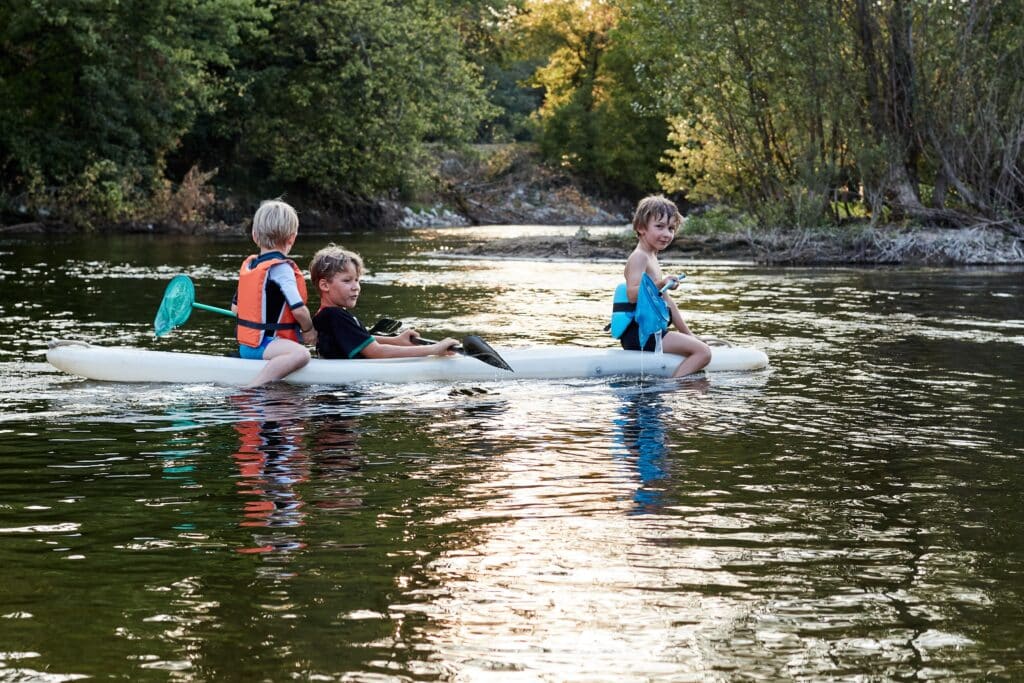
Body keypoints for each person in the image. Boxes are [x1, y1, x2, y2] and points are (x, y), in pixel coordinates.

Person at [309, 244, 459, 360]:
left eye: (357, 280)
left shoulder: (326, 314)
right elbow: (376, 352)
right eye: (347, 281)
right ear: (324, 285)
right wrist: (433, 350)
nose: (356, 287)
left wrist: (397, 340)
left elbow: (360, 339)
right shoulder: (336, 316)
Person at [618, 195, 710, 378]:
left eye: (671, 228)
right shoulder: (639, 257)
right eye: (659, 227)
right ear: (641, 228)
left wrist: (689, 334)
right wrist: (660, 283)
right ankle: (673, 384)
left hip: (650, 331)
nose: (667, 234)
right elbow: (632, 295)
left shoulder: (651, 256)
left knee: (697, 346)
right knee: (704, 353)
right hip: (640, 334)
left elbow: (667, 301)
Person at [233, 199, 316, 387]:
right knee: (302, 354)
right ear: (292, 238)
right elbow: (299, 310)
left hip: (247, 345)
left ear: (255, 236)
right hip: (264, 346)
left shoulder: (251, 266)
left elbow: (234, 309)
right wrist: (308, 330)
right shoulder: (281, 269)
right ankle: (252, 388)